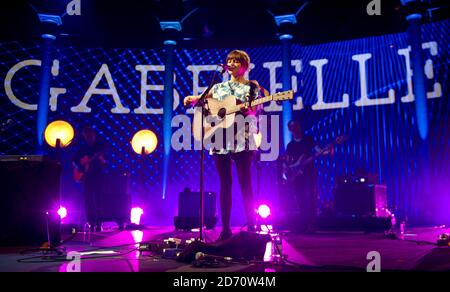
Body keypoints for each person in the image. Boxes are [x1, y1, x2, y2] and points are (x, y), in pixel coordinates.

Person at [184, 50, 261, 241]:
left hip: (242, 136)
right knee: (225, 183)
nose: (232, 63)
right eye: (229, 60)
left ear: (244, 65)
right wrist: (193, 99)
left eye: (236, 61)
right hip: (220, 136)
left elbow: (254, 110)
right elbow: (204, 99)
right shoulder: (218, 87)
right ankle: (225, 230)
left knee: (245, 183)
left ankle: (252, 226)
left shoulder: (251, 86)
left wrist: (247, 109)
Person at [281, 120, 332, 233]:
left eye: (297, 126)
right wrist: (287, 168)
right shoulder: (291, 145)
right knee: (300, 199)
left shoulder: (308, 140)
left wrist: (327, 151)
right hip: (296, 175)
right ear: (290, 129)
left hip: (309, 172)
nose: (296, 129)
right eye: (293, 127)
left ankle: (311, 224)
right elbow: (288, 161)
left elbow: (319, 151)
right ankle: (304, 223)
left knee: (311, 197)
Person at [73, 126, 107, 232]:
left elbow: (105, 163)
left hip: (98, 176)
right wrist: (80, 166)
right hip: (87, 177)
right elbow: (74, 160)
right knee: (88, 200)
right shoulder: (82, 149)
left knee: (99, 200)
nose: (89, 137)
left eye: (90, 135)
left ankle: (98, 224)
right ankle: (91, 223)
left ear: (93, 135)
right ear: (85, 136)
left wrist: (102, 160)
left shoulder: (99, 147)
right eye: (87, 136)